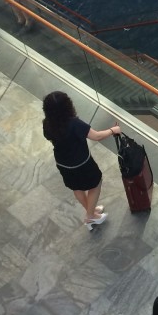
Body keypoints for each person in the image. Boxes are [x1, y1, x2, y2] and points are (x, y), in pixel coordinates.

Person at [42, 91, 121, 229]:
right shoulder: (74, 123)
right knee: (95, 183)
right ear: (67, 106)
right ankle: (90, 217)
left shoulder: (47, 124)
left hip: (63, 164)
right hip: (81, 163)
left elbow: (50, 137)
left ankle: (91, 211)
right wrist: (113, 130)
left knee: (77, 187)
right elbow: (96, 136)